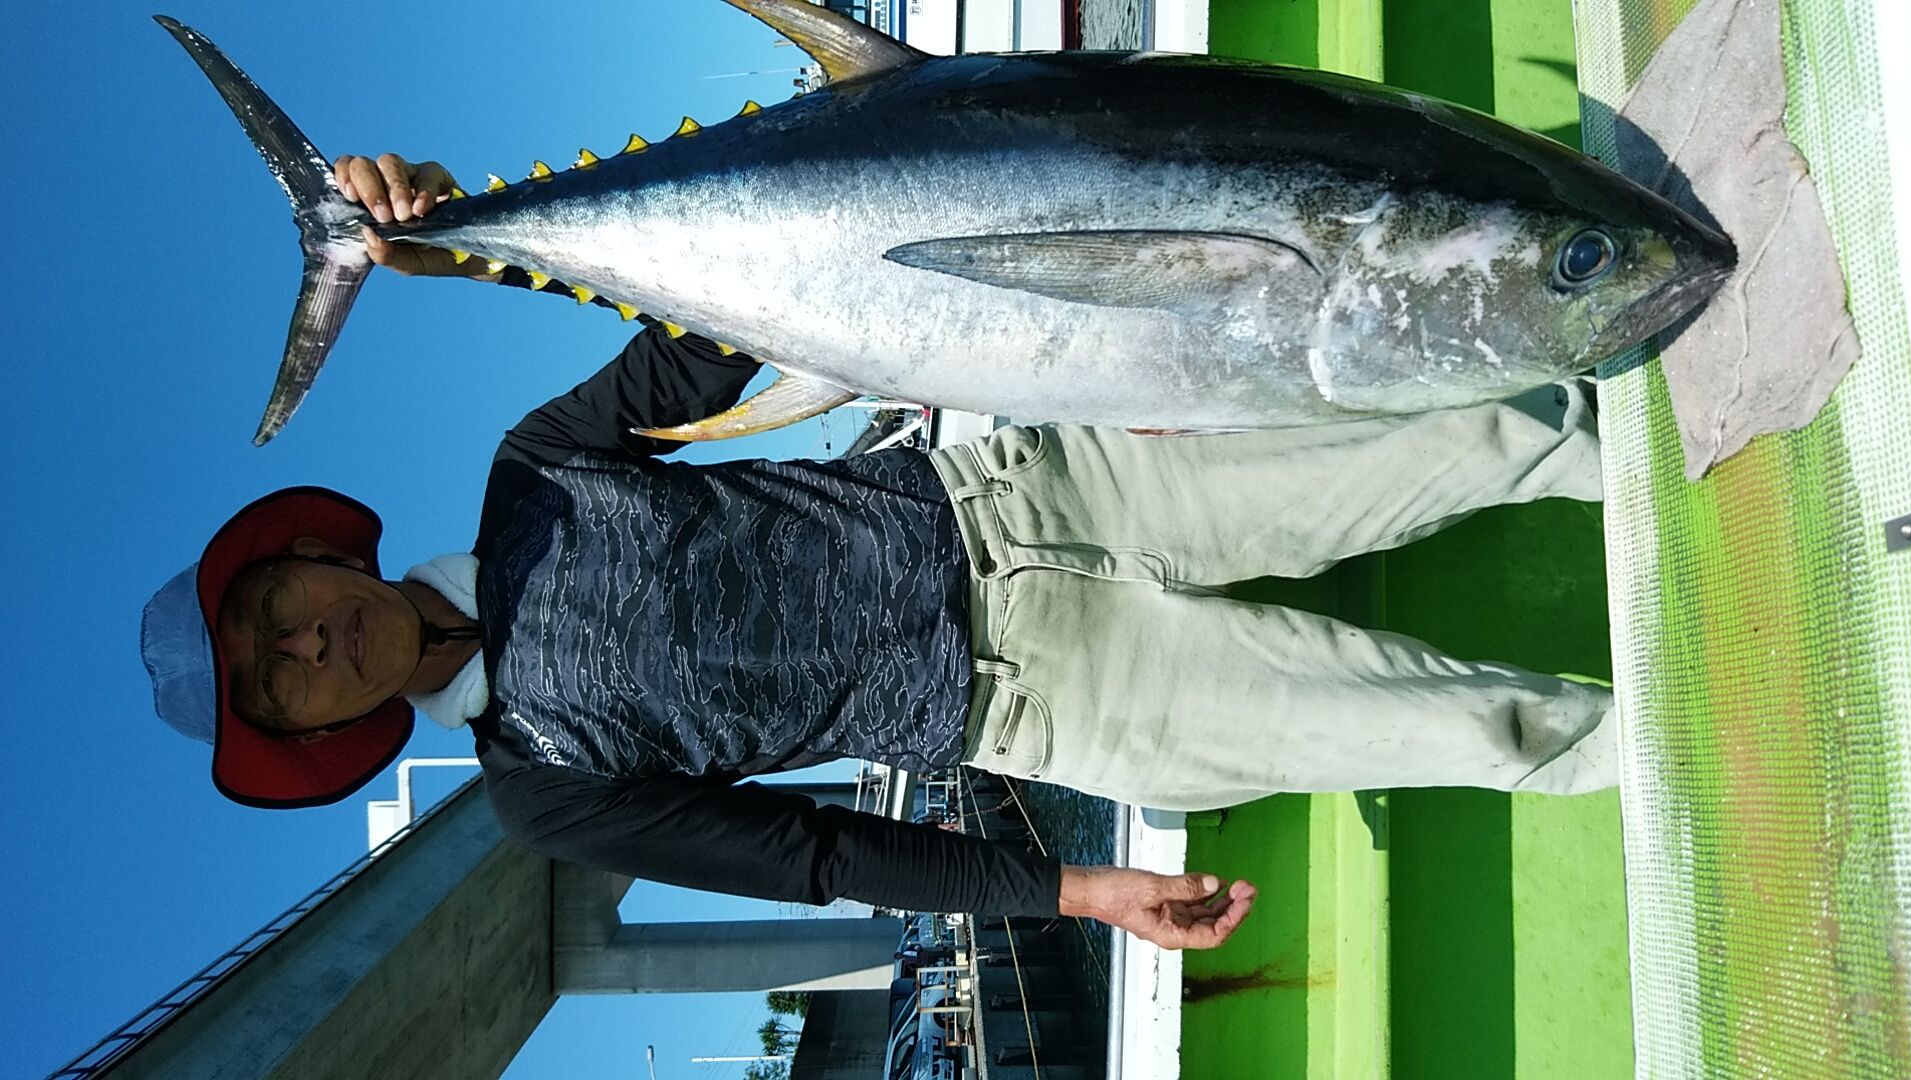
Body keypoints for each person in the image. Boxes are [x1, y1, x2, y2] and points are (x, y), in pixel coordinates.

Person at [141, 154, 1617, 952]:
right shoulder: (540, 787)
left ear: (321, 554)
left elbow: (713, 336)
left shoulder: (533, 470)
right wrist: (1081, 892)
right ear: (321, 734)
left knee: (1497, 435)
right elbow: (814, 855)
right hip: (1051, 701)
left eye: (279, 608)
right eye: (281, 678)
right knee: (1472, 731)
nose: (307, 642)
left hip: (1037, 487)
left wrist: (465, 227)